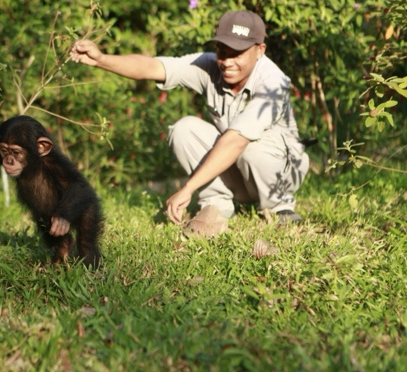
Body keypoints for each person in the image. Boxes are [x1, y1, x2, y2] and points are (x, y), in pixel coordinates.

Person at [70, 9, 309, 238]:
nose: (226, 61)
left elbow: (237, 140)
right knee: (184, 129)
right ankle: (217, 205)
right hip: (241, 169)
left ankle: (280, 208)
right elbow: (154, 67)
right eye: (222, 51)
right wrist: (101, 59)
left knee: (249, 144)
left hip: (280, 173)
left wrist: (188, 188)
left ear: (260, 50)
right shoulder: (209, 65)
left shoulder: (273, 83)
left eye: (237, 53)